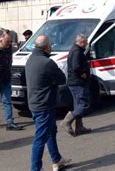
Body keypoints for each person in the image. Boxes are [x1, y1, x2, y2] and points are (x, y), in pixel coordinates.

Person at [26, 35, 71, 171]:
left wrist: (51, 81)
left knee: (51, 131)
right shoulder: (47, 63)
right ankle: (35, 168)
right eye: (50, 44)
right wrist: (52, 82)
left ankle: (57, 159)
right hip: (44, 105)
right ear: (46, 47)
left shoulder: (31, 59)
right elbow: (62, 79)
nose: (51, 46)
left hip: (35, 102)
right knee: (41, 138)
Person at [60, 34, 92, 136]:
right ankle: (67, 121)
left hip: (75, 82)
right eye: (86, 43)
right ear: (81, 42)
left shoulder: (75, 50)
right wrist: (84, 75)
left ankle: (79, 127)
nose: (86, 45)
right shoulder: (77, 52)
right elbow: (76, 67)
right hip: (77, 83)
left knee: (78, 105)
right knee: (83, 105)